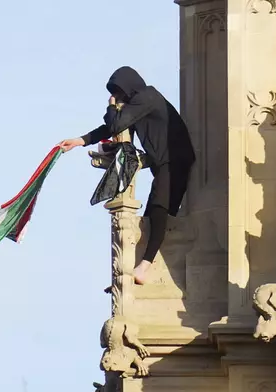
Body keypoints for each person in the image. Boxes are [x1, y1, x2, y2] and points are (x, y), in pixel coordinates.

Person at [57, 66, 195, 285]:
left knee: (160, 210)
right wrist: (79, 141)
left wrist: (111, 107)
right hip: (164, 163)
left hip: (175, 159)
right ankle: (139, 269)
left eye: (119, 92)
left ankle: (144, 267)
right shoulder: (139, 103)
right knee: (152, 216)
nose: (117, 97)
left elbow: (116, 124)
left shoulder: (146, 97)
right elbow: (110, 128)